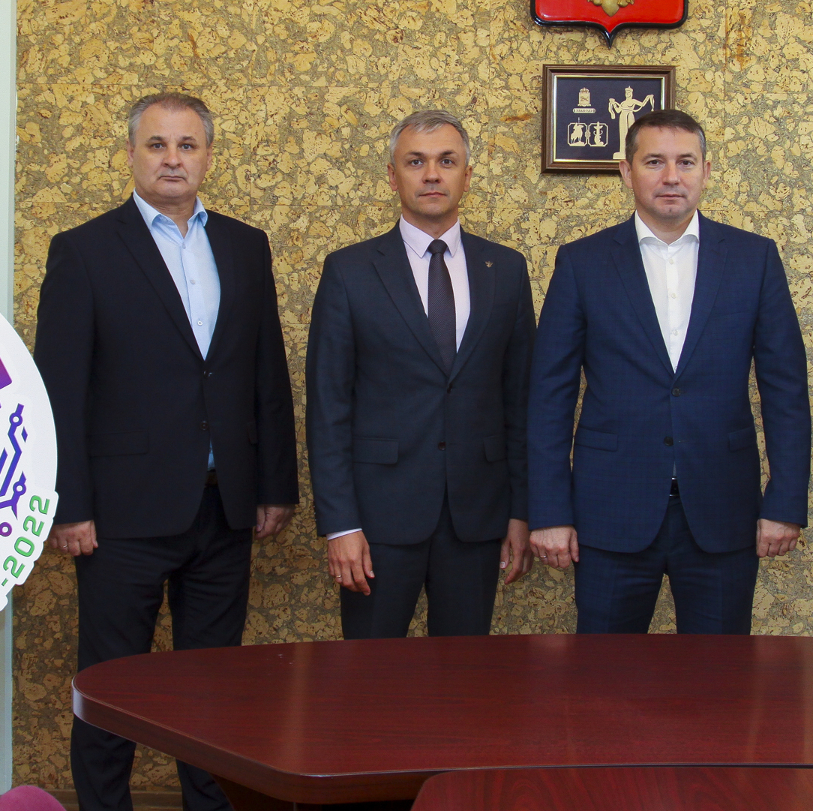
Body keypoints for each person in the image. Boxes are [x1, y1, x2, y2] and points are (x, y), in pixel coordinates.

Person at [33, 92, 298, 811]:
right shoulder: (84, 249)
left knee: (213, 694)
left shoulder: (244, 246)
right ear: (131, 154)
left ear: (208, 156)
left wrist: (274, 485)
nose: (172, 159)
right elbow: (59, 389)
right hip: (121, 517)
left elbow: (264, 372)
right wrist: (68, 505)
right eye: (157, 145)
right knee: (112, 691)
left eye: (187, 145)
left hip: (224, 508)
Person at [527, 108, 811, 634]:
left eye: (686, 162)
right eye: (654, 161)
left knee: (720, 674)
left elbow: (786, 391)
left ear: (707, 170)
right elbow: (549, 397)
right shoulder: (582, 263)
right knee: (604, 673)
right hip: (609, 512)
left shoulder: (754, 259)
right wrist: (549, 511)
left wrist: (786, 501)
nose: (671, 176)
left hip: (723, 509)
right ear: (626, 171)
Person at [306, 110, 536, 638]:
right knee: (369, 673)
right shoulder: (349, 271)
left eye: (446, 161)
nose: (432, 174)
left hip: (476, 517)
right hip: (377, 521)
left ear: (467, 176)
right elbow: (328, 408)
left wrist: (521, 512)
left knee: (465, 675)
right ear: (393, 176)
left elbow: (521, 403)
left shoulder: (506, 269)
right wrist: (340, 524)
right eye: (416, 162)